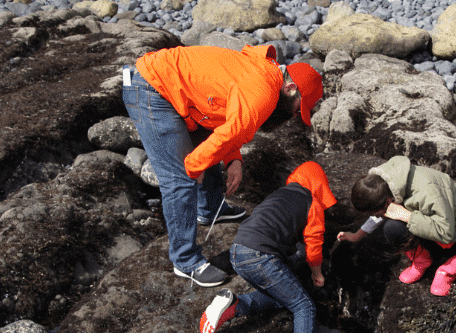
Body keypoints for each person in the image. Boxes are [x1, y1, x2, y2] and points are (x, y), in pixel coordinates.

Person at [122, 44, 323, 287]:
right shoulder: (263, 93)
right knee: (179, 180)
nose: (293, 116)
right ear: (290, 89)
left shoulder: (265, 74)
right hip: (152, 89)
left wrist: (233, 160)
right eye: (297, 109)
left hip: (174, 89)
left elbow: (226, 120)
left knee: (207, 151)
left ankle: (208, 209)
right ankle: (184, 261)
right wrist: (193, 170)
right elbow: (229, 133)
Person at [198, 161, 349, 333]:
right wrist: (317, 273)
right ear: (320, 186)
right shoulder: (312, 203)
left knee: (284, 297)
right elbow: (314, 245)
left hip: (238, 251)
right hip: (261, 256)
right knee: (303, 305)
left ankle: (235, 306)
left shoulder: (281, 194)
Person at [337, 155, 456, 296]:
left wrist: (407, 216)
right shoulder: (386, 184)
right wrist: (357, 235)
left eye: (378, 212)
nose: (378, 216)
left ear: (388, 202)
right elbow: (383, 212)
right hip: (427, 231)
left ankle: (447, 271)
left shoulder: (428, 190)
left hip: (455, 232)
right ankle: (421, 259)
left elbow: (447, 233)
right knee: (392, 227)